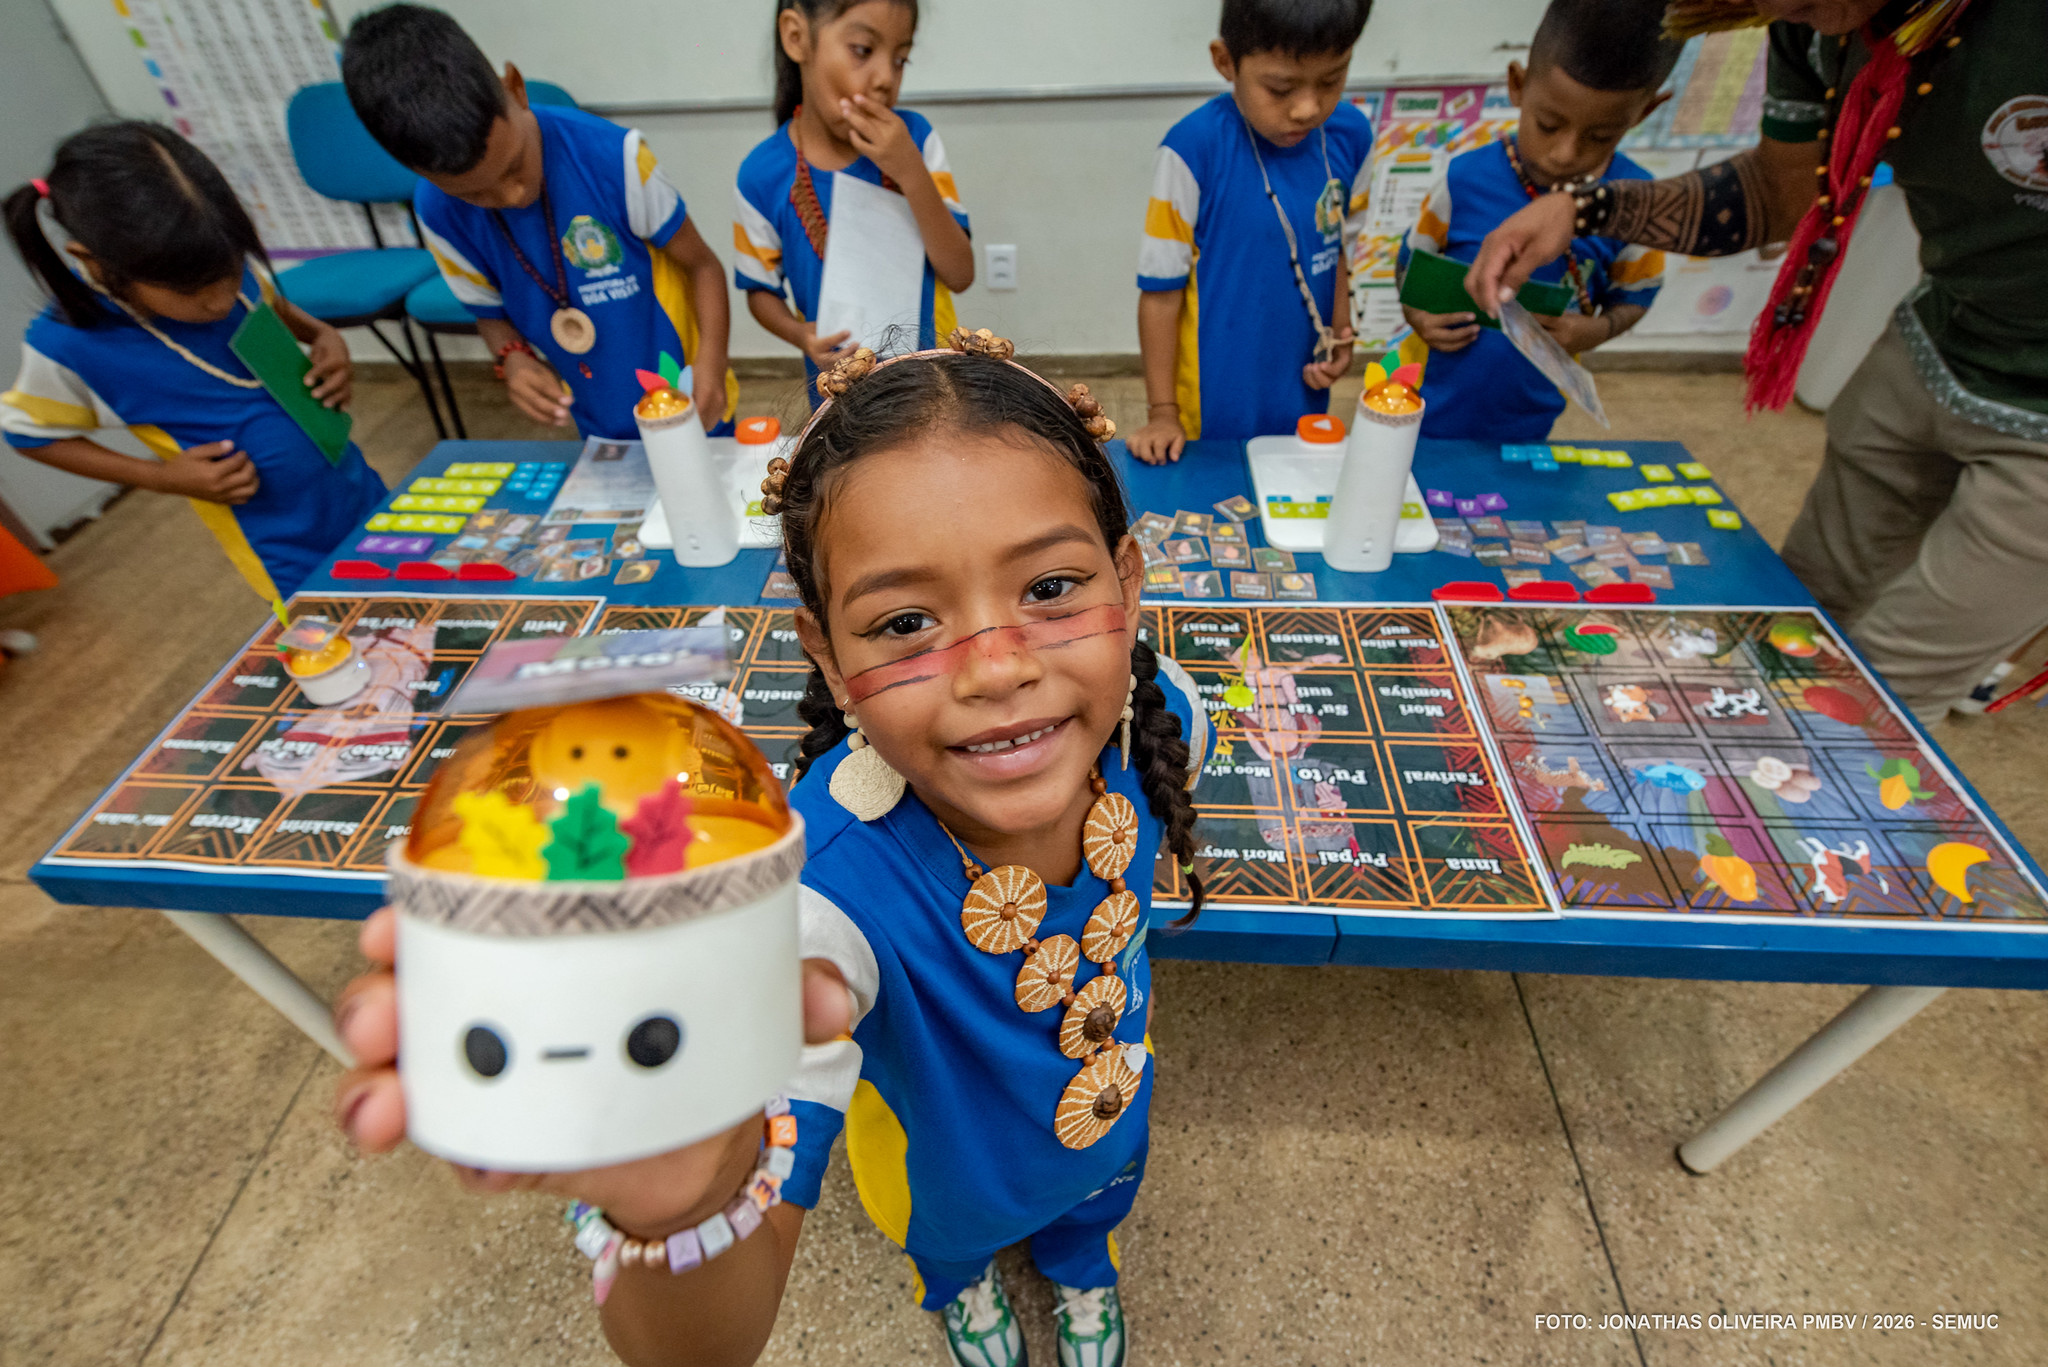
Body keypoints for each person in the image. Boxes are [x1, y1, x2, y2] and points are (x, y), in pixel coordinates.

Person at [333, 329, 1209, 1367]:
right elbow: (702, 1347)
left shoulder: (1161, 718)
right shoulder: (815, 901)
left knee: (1089, 1208)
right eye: (905, 621)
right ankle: (960, 1288)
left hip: (1108, 1121)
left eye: (1050, 589)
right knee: (950, 1246)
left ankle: (1077, 1265)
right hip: (942, 1185)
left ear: (1127, 583)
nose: (993, 667)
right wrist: (686, 1189)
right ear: (829, 658)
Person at [1465, 0, 2048, 722]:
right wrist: (1585, 209)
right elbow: (1783, 189)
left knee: (1885, 691)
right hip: (1940, 336)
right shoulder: (1806, 21)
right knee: (1798, 611)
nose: (1800, 21)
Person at [0, 123, 383, 602]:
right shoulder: (69, 343)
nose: (221, 301)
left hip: (359, 491)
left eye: (230, 273)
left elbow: (261, 300)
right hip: (286, 552)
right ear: (94, 262)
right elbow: (27, 433)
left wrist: (322, 334)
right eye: (191, 292)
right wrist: (160, 477)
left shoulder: (211, 256)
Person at [342, 3, 736, 438]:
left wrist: (712, 364)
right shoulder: (438, 213)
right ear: (414, 169)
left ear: (514, 88)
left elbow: (703, 266)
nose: (509, 195)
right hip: (598, 421)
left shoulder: (614, 159)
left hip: (694, 401)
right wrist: (512, 357)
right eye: (473, 193)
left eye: (514, 166)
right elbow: (488, 312)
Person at [1398, 0, 1675, 441]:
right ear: (1518, 85)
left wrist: (1597, 330)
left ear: (1643, 113)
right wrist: (1416, 314)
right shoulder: (1464, 179)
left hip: (1531, 407)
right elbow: (1411, 264)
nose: (1564, 154)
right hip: (1420, 397)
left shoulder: (1635, 202)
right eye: (1547, 124)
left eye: (1601, 136)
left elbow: (1637, 297)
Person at [1128, 0, 1374, 464]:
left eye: (1331, 80)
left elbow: (1336, 247)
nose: (1308, 108)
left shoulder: (1351, 136)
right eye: (1280, 88)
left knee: (1289, 491)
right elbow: (1160, 293)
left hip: (1300, 382)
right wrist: (1163, 412)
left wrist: (1341, 333)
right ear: (1225, 62)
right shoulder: (1190, 149)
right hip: (1211, 396)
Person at [733, 0, 975, 401]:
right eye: (863, 50)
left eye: (900, 60)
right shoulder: (761, 174)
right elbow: (759, 291)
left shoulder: (917, 141)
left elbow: (960, 273)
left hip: (932, 385)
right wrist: (799, 335)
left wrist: (911, 171)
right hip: (839, 398)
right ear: (796, 37)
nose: (884, 79)